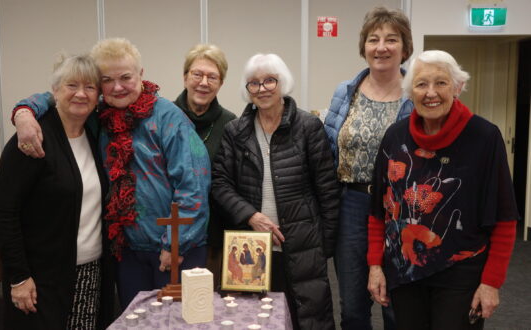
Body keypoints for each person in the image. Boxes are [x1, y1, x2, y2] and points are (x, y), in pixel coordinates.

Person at [10, 38, 211, 309]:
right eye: (107, 79)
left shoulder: (168, 118)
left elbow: (194, 184)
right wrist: (24, 112)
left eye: (125, 77)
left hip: (176, 248)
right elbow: (55, 95)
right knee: (134, 321)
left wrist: (176, 244)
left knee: (179, 323)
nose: (117, 87)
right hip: (125, 250)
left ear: (141, 75)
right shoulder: (98, 117)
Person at [367, 50, 519, 330]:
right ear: (409, 91)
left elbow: (505, 217)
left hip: (461, 274)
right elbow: (379, 211)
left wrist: (491, 282)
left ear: (457, 87)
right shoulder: (395, 137)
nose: (431, 93)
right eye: (421, 84)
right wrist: (375, 266)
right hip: (405, 272)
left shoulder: (484, 137)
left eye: (441, 83)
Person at [212, 53, 339, 330]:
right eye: (254, 83)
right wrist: (251, 216)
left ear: (283, 83)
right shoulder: (236, 131)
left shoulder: (308, 127)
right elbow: (220, 183)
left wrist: (324, 245)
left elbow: (327, 190)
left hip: (304, 244)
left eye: (270, 80)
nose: (262, 88)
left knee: (307, 317)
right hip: (254, 247)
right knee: (257, 318)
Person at [0, 54, 115, 329]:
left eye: (90, 87)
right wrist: (19, 277)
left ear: (98, 97)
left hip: (89, 273)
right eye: (72, 85)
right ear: (55, 91)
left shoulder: (95, 136)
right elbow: (3, 211)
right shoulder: (32, 140)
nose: (81, 94)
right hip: (40, 280)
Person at [323, 6, 413, 329]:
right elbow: (328, 147)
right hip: (351, 203)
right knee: (353, 304)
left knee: (397, 303)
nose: (382, 47)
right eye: (373, 39)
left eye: (392, 39)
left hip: (400, 209)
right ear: (364, 47)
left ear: (405, 48)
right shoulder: (345, 92)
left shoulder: (416, 94)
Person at [174, 44, 236, 288]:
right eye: (197, 74)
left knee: (205, 305)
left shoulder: (231, 124)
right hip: (170, 231)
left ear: (221, 84)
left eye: (212, 77)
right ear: (185, 76)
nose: (203, 82)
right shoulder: (165, 117)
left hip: (213, 235)